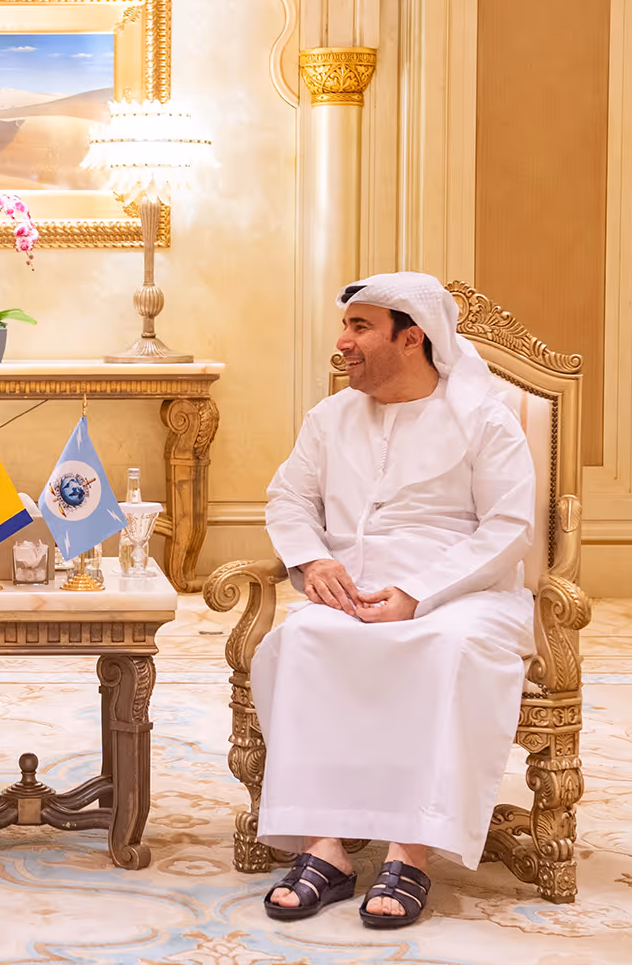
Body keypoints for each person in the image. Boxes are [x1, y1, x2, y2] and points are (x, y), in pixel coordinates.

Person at [254, 271, 536, 929]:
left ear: (412, 338)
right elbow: (288, 498)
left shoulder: (483, 419)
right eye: (345, 326)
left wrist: (418, 593)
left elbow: (509, 527)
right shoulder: (329, 418)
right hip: (351, 589)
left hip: (461, 593)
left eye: (360, 327)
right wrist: (314, 559)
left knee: (447, 647)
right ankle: (324, 848)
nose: (342, 341)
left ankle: (411, 853)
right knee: (299, 639)